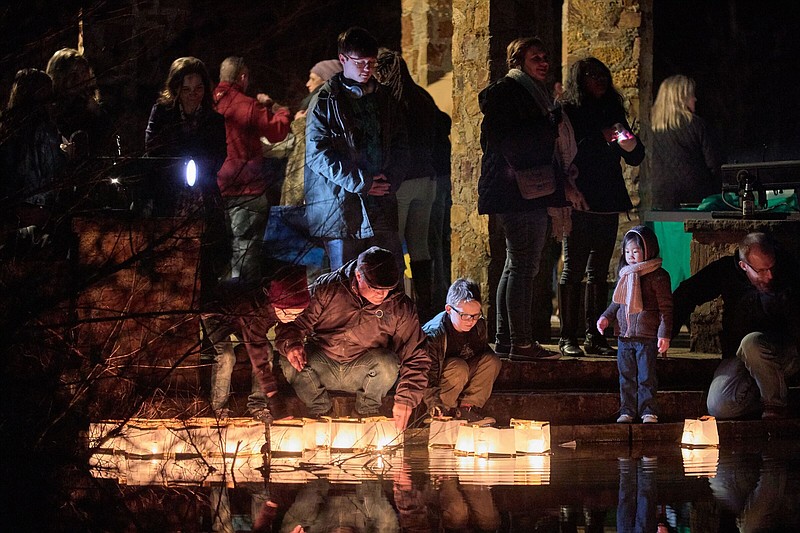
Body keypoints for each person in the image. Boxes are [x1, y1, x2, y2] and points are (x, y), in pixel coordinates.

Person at [477, 36, 570, 361]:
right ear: (518, 62)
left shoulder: (531, 93)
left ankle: (506, 340)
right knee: (523, 265)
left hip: (520, 188)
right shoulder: (511, 93)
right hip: (517, 189)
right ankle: (522, 342)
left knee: (516, 264)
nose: (544, 62)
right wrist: (548, 124)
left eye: (545, 57)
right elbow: (508, 139)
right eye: (536, 58)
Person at [274, 246, 429, 431]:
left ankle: (366, 413)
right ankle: (321, 412)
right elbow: (293, 322)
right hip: (323, 365)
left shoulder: (399, 307)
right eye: (375, 288)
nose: (382, 294)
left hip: (364, 370)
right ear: (358, 276)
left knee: (388, 363)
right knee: (288, 358)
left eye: (387, 289)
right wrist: (292, 344)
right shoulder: (328, 288)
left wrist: (406, 399)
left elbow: (416, 355)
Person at [558, 57, 646, 358]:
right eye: (590, 75)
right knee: (573, 269)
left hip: (608, 199)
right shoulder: (570, 111)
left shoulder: (613, 110)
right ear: (579, 81)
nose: (598, 80)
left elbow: (636, 157)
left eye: (601, 74)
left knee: (599, 271)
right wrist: (600, 137)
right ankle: (567, 337)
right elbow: (568, 150)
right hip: (581, 198)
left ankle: (594, 336)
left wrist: (627, 141)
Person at [304, 27, 406, 272]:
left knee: (386, 278)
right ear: (343, 59)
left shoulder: (384, 98)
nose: (366, 68)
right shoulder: (325, 101)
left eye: (370, 62)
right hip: (342, 211)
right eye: (359, 62)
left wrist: (392, 178)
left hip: (380, 203)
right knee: (346, 283)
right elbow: (318, 155)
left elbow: (401, 143)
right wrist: (362, 182)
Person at [672, 232, 800, 420]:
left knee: (752, 343)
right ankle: (770, 389)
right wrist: (664, 333)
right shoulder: (727, 272)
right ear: (744, 266)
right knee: (719, 406)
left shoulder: (790, 271)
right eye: (761, 271)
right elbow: (689, 292)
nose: (769, 275)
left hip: (783, 352)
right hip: (740, 357)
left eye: (771, 267)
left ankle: (775, 406)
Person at [375, 48, 450, 323]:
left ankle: (396, 314)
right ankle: (426, 311)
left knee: (393, 248)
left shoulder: (388, 101)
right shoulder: (422, 97)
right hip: (427, 182)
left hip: (401, 183)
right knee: (421, 250)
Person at [144, 57, 228, 295]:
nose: (193, 94)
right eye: (187, 88)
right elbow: (153, 150)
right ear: (177, 88)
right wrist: (179, 165)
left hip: (201, 197)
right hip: (168, 196)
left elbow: (218, 154)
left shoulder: (213, 119)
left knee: (201, 258)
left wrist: (198, 167)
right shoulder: (162, 113)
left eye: (198, 88)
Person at [213, 56, 291, 281]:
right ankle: (244, 302)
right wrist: (281, 110)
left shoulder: (208, 103)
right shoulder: (248, 106)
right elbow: (277, 131)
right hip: (246, 189)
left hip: (213, 187)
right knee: (246, 252)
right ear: (243, 77)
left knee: (219, 253)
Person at [202, 264, 309, 423]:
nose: (292, 318)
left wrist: (292, 343)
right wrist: (274, 396)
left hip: (242, 321)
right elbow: (256, 350)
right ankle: (219, 408)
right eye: (288, 313)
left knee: (269, 351)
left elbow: (288, 326)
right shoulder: (254, 308)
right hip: (218, 315)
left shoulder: (279, 304)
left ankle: (258, 405)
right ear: (275, 304)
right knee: (226, 356)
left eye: (297, 314)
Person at [597, 226, 672, 424]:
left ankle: (648, 410)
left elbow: (666, 308)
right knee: (626, 376)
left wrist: (664, 334)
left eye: (636, 251)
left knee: (646, 376)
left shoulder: (658, 276)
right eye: (627, 252)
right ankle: (627, 411)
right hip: (625, 335)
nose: (630, 256)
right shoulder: (625, 275)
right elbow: (618, 301)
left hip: (647, 336)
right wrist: (606, 317)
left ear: (647, 250)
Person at [422, 278, 500, 425]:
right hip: (442, 381)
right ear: (449, 309)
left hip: (463, 375)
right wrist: (434, 403)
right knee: (458, 367)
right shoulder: (434, 335)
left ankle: (467, 409)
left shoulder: (478, 325)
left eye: (476, 315)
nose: (471, 320)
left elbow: (481, 355)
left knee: (491, 361)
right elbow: (425, 373)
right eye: (465, 315)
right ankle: (443, 413)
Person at [641, 74, 723, 212]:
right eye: (691, 95)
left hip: (657, 198)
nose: (695, 99)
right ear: (681, 98)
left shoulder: (648, 129)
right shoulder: (696, 125)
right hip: (695, 201)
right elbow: (715, 165)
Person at [0, 69, 66, 236]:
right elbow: (48, 170)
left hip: (16, 209)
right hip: (31, 209)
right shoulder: (41, 129)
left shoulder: (8, 126)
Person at [280, 59, 342, 207]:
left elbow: (311, 144)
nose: (308, 84)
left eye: (313, 79)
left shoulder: (323, 106)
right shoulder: (316, 104)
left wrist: (300, 123)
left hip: (312, 183)